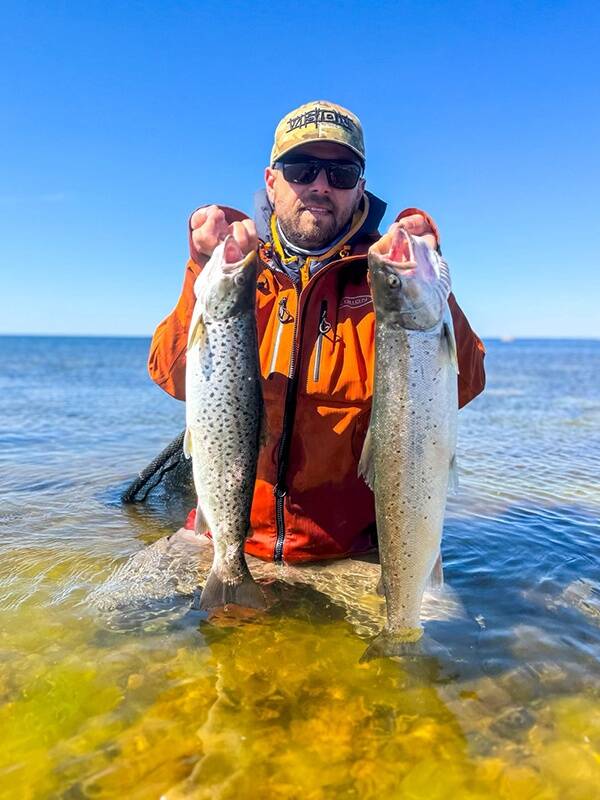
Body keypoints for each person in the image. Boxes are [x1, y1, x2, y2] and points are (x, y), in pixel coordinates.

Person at [148, 100, 485, 564]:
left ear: (359, 186)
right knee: (103, 621)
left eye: (341, 173)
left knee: (439, 634)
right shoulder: (243, 267)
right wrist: (203, 264)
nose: (320, 186)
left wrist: (427, 278)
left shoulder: (385, 275)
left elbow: (465, 382)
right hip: (222, 538)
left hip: (347, 555)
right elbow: (171, 373)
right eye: (301, 169)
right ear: (272, 180)